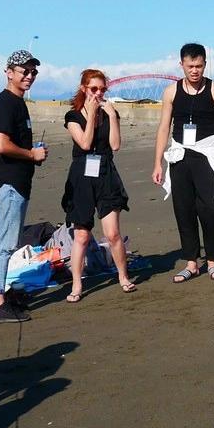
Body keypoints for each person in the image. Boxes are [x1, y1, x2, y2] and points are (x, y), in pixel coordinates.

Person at [152, 43, 214, 283]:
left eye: (199, 66)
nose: (195, 71)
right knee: (183, 209)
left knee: (210, 209)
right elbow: (164, 127)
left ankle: (212, 261)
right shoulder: (171, 92)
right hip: (179, 155)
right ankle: (191, 262)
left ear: (205, 65)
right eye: (190, 66)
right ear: (182, 65)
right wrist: (158, 163)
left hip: (206, 155)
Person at [61, 69, 136, 302]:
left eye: (103, 89)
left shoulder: (108, 112)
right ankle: (76, 285)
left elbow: (115, 145)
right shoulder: (73, 116)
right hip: (82, 175)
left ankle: (123, 276)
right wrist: (91, 114)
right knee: (81, 235)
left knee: (112, 233)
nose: (98, 93)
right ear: (84, 88)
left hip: (105, 173)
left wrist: (112, 116)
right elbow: (84, 143)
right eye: (94, 89)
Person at [0, 49, 48, 323]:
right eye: (24, 71)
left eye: (33, 71)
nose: (30, 75)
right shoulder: (6, 102)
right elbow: (1, 145)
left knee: (7, 243)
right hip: (8, 183)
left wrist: (33, 152)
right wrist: (30, 154)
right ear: (9, 72)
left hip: (17, 183)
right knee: (4, 244)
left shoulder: (18, 103)